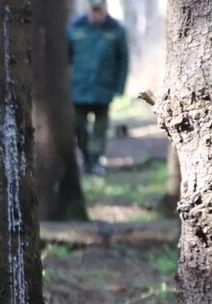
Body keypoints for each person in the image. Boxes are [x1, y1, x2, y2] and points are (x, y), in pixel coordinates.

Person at [67, 0, 128, 177]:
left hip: (103, 89)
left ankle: (96, 161)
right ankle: (87, 158)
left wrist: (119, 87)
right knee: (79, 127)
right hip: (79, 89)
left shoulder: (116, 29)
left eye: (99, 10)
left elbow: (123, 61)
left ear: (105, 9)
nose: (96, 14)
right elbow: (65, 57)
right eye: (94, 10)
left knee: (100, 130)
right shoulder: (75, 27)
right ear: (88, 10)